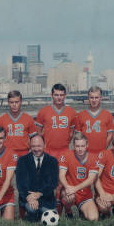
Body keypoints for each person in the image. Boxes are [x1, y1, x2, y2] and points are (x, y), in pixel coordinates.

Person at [35, 83, 76, 216]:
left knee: (62, 181)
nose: (59, 98)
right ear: (52, 95)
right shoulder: (44, 111)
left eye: (61, 95)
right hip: (49, 151)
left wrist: (64, 144)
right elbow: (39, 132)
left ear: (65, 96)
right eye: (56, 95)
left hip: (64, 151)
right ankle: (47, 209)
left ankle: (63, 210)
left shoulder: (71, 112)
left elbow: (71, 132)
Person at [16, 134, 59, 221]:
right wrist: (29, 197)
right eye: (33, 146)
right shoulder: (22, 160)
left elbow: (53, 183)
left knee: (52, 217)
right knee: (32, 209)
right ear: (30, 146)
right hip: (29, 198)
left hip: (46, 198)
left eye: (39, 146)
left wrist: (39, 194)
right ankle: (31, 214)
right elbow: (20, 184)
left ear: (45, 145)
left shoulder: (53, 161)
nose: (36, 149)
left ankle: (39, 214)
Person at [59, 133, 99, 221]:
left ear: (87, 145)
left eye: (82, 146)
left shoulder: (93, 158)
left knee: (94, 218)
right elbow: (61, 175)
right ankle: (68, 211)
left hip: (85, 194)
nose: (80, 149)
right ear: (73, 146)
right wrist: (67, 187)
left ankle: (81, 209)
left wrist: (75, 188)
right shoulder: (66, 155)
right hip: (69, 191)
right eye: (77, 146)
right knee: (70, 197)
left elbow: (91, 180)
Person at [74, 86, 114, 157]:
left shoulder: (108, 115)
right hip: (85, 154)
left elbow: (110, 135)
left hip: (101, 153)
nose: (94, 100)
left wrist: (104, 148)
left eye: (96, 97)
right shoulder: (80, 115)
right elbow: (78, 136)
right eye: (91, 97)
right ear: (88, 98)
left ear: (100, 98)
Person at [0, 90, 37, 157]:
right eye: (11, 102)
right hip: (7, 153)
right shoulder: (2, 120)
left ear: (21, 102)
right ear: (8, 103)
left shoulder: (28, 118)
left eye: (16, 102)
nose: (14, 105)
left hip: (24, 152)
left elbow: (34, 139)